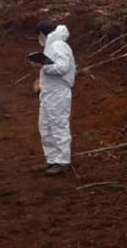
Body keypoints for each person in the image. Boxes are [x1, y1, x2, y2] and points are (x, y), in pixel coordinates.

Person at [33, 22, 76, 175]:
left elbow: (63, 67)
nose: (39, 38)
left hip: (58, 92)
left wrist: (43, 66)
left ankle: (63, 161)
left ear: (43, 34)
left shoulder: (58, 46)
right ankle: (52, 159)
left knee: (58, 125)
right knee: (45, 126)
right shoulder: (51, 46)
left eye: (39, 35)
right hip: (49, 93)